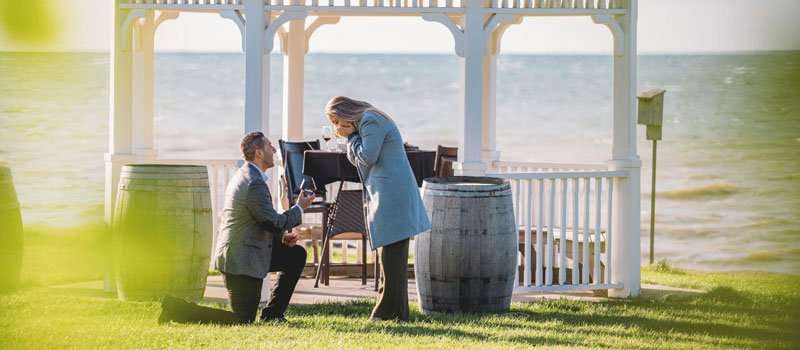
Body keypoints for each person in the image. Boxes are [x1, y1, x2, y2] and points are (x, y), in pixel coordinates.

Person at [158, 132, 315, 324]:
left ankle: (273, 314)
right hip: (241, 260)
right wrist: (299, 207)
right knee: (242, 320)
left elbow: (260, 221)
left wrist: (281, 239)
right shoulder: (254, 182)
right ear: (259, 152)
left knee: (295, 255)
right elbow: (272, 222)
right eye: (269, 146)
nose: (274, 150)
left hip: (248, 251)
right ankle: (176, 308)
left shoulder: (248, 175)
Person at [325, 96, 431, 321]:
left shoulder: (370, 121)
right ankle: (398, 313)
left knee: (391, 255)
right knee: (391, 254)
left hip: (392, 193)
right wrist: (352, 136)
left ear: (346, 114)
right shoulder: (368, 120)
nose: (337, 127)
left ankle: (385, 313)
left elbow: (367, 157)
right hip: (390, 191)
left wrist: (351, 138)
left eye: (337, 121)